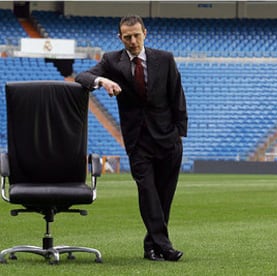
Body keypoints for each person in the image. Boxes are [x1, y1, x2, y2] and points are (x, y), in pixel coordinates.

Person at [75, 15, 187, 262]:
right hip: (138, 141)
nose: (133, 41)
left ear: (145, 33)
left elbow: (177, 94)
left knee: (164, 195)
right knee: (147, 192)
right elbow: (81, 77)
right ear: (120, 38)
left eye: (137, 35)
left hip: (168, 138)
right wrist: (102, 80)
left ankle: (151, 246)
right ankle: (165, 246)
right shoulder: (111, 61)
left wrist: (179, 132)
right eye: (128, 37)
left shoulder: (165, 59)